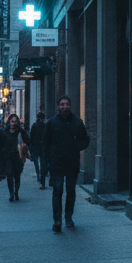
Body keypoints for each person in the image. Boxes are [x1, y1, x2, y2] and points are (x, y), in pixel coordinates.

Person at [42, 95, 90, 233]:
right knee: (57, 191)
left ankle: (68, 217)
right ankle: (57, 220)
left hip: (72, 163)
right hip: (56, 162)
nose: (64, 107)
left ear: (70, 106)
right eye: (62, 104)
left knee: (70, 191)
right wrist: (47, 163)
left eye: (66, 104)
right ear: (58, 106)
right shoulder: (51, 123)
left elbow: (85, 140)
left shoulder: (77, 122)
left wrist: (77, 146)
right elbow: (45, 144)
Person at [0, 112, 31, 201]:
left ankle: (16, 192)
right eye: (12, 121)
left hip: (18, 157)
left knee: (17, 176)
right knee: (9, 175)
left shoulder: (21, 132)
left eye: (15, 121)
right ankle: (11, 193)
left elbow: (28, 141)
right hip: (8, 157)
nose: (14, 123)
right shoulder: (4, 132)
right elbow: (0, 144)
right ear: (9, 122)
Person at [28, 110, 48, 188]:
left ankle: (38, 175)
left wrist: (31, 149)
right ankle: (42, 180)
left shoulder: (34, 126)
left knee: (36, 163)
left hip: (36, 147)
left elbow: (31, 138)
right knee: (43, 164)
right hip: (43, 147)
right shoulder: (45, 126)